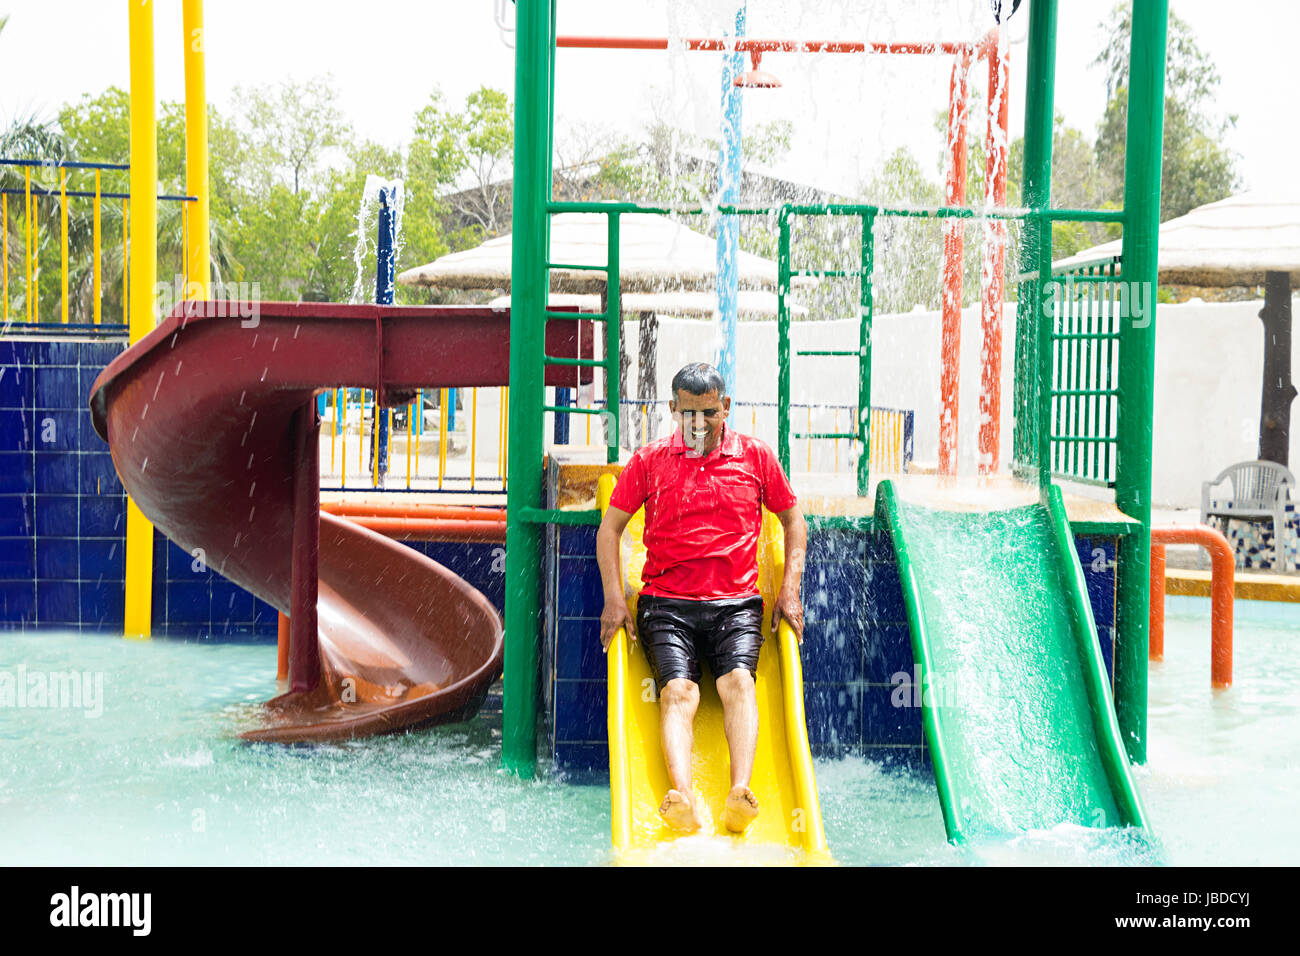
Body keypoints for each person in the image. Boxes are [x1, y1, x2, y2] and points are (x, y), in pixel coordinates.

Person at [596, 362, 806, 834]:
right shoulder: (650, 460)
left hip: (735, 604)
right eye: (687, 414)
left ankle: (739, 791)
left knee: (739, 684)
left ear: (725, 407)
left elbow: (794, 521)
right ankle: (684, 797)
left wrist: (789, 590)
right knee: (678, 692)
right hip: (667, 605)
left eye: (708, 413)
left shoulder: (754, 456)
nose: (697, 424)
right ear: (672, 410)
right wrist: (615, 599)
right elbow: (610, 529)